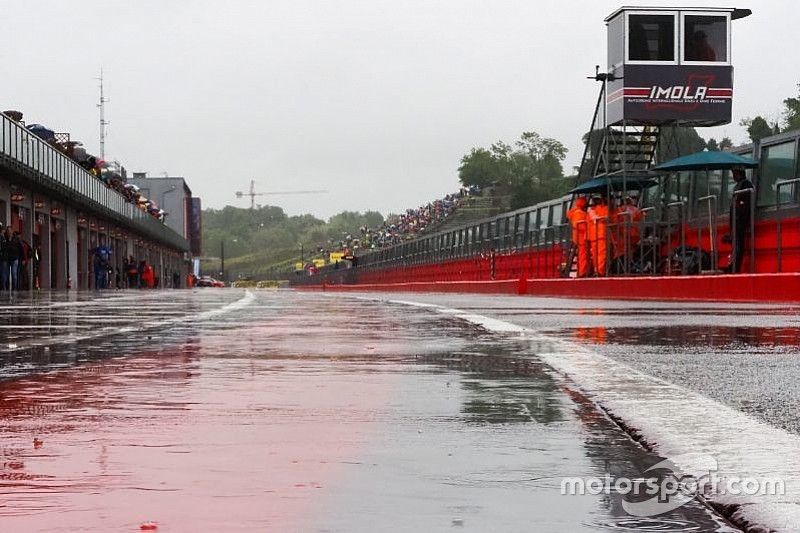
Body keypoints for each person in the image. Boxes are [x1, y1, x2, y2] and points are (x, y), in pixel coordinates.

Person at [724, 168, 753, 273]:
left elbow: (745, 204)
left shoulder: (745, 185)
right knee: (736, 243)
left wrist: (740, 214)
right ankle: (733, 264)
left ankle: (735, 266)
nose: (733, 176)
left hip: (739, 219)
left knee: (738, 244)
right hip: (736, 219)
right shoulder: (740, 185)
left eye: (734, 173)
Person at [566, 196, 591, 277]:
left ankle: (583, 271)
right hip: (582, 237)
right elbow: (580, 225)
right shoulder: (578, 213)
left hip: (580, 237)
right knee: (583, 255)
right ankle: (582, 272)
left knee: (583, 255)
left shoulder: (577, 212)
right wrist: (590, 227)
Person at [587, 196, 610, 276]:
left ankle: (597, 270)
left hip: (593, 235)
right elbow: (605, 218)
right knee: (601, 254)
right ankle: (600, 271)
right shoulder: (605, 209)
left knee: (595, 254)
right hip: (601, 234)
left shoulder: (590, 211)